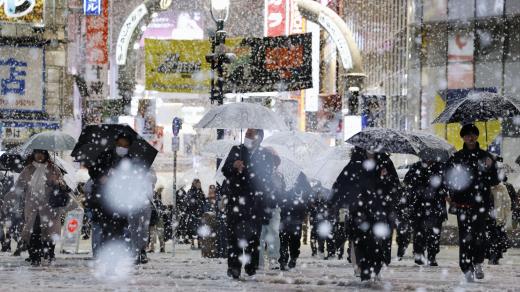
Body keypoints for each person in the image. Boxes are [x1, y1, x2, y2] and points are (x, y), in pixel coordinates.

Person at [329, 147, 394, 281]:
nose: (371, 150)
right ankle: (365, 271)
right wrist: (334, 203)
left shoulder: (385, 163)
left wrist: (383, 180)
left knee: (376, 243)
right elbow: (340, 185)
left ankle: (374, 270)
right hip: (358, 211)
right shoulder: (355, 164)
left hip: (378, 211)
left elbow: (393, 187)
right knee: (361, 243)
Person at [444, 124, 499, 282]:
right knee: (465, 237)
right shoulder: (457, 157)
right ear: (463, 137)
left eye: (473, 134)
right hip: (463, 204)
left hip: (480, 204)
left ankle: (478, 262)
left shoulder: (485, 156)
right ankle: (466, 267)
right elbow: (448, 178)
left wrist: (490, 167)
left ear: (477, 136)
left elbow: (494, 181)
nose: (470, 137)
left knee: (479, 235)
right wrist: (449, 194)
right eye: (467, 135)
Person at [222, 128, 275, 279]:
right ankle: (234, 267)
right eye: (246, 134)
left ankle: (251, 266)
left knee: (253, 238)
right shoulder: (236, 150)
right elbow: (225, 170)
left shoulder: (265, 155)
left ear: (259, 138)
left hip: (255, 204)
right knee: (234, 237)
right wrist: (234, 165)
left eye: (250, 135)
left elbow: (267, 181)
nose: (247, 137)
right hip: (236, 201)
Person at [4, 150, 68, 266]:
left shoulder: (53, 169)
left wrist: (57, 182)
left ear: (46, 155)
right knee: (33, 231)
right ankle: (34, 256)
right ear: (33, 155)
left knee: (49, 232)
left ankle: (49, 254)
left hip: (49, 207)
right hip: (32, 206)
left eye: (42, 153)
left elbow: (63, 186)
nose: (39, 156)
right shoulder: (28, 169)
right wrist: (7, 199)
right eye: (37, 153)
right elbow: (18, 187)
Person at [84, 133, 133, 257]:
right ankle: (101, 254)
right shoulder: (105, 155)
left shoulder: (130, 160)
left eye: (126, 146)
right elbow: (93, 171)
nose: (122, 147)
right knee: (101, 228)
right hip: (103, 200)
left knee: (119, 229)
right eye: (120, 144)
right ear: (116, 144)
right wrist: (103, 176)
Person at [404, 159, 448, 266]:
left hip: (435, 205)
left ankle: (432, 255)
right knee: (419, 231)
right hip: (419, 205)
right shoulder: (416, 166)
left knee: (434, 232)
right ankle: (419, 254)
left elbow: (446, 185)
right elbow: (407, 180)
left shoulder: (440, 167)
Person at [278, 172, 311, 270]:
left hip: (285, 216)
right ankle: (293, 258)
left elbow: (279, 197)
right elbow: (309, 198)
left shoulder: (286, 179)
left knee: (284, 240)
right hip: (297, 217)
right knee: (295, 240)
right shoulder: (304, 181)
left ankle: (284, 260)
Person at [258, 150, 281, 271]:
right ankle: (259, 262)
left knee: (273, 233)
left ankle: (273, 260)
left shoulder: (278, 176)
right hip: (261, 207)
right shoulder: (259, 174)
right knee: (260, 235)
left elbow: (280, 191)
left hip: (273, 207)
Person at [186, 179, 205, 249]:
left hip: (200, 213)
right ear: (194, 184)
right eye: (197, 183)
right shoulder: (191, 192)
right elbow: (189, 202)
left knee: (200, 228)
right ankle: (193, 243)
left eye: (199, 183)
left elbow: (203, 202)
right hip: (193, 213)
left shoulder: (201, 192)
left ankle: (200, 242)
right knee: (193, 229)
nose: (199, 185)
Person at [148, 186, 166, 253]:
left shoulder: (152, 195)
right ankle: (156, 247)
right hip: (155, 215)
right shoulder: (151, 195)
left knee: (156, 232)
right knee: (155, 232)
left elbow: (159, 205)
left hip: (155, 215)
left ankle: (157, 247)